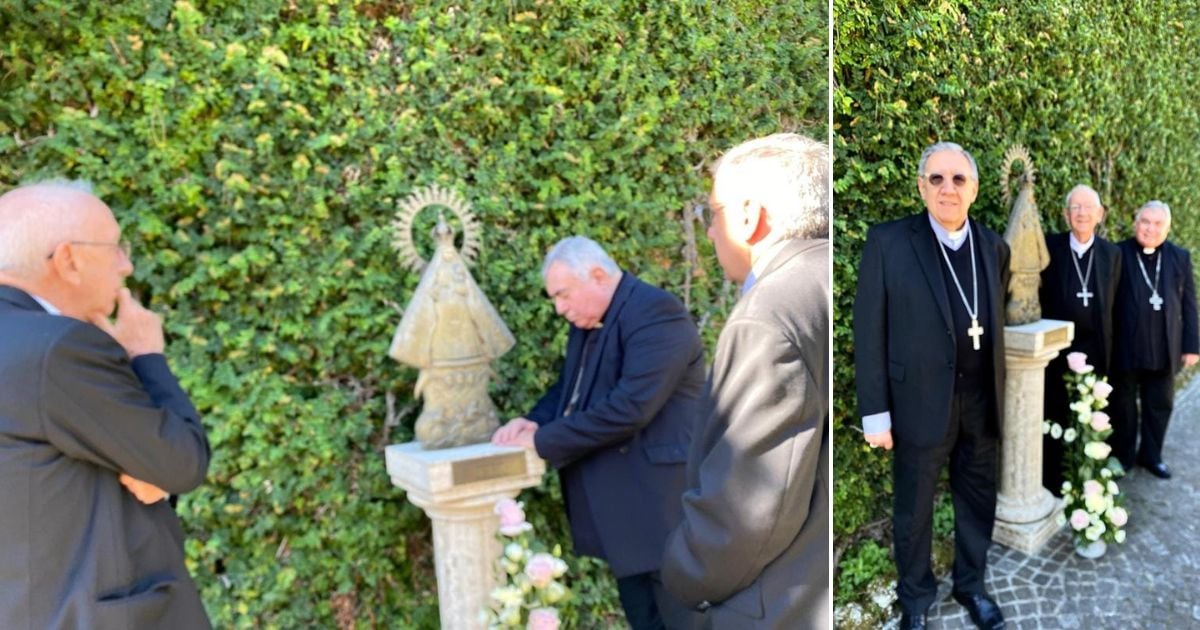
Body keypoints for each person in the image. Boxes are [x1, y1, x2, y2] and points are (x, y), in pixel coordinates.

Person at [0, 180, 211, 628]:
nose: (126, 265)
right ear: (68, 260)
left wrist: (138, 459)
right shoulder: (57, 349)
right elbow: (179, 461)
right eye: (115, 247)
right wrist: (146, 354)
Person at [660, 132, 831, 629]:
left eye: (712, 212)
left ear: (750, 214)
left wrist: (681, 571)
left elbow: (751, 506)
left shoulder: (768, 311)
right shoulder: (825, 272)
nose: (710, 232)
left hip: (772, 603)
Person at [491, 236, 706, 630]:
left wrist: (541, 443)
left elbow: (629, 408)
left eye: (563, 294)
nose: (560, 308)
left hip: (664, 513)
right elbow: (571, 387)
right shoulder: (592, 318)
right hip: (629, 519)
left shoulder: (657, 313)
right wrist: (535, 420)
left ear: (597, 275)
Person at [853, 142, 1009, 630]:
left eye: (958, 180)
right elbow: (868, 329)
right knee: (914, 509)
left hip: (982, 401)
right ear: (921, 186)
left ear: (975, 190)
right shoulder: (889, 243)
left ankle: (972, 586)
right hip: (918, 403)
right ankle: (916, 600)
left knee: (977, 500)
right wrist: (875, 413)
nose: (948, 188)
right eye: (937, 179)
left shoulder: (993, 246)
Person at [1038, 185, 1121, 495]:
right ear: (1066, 214)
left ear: (1099, 215)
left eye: (1088, 208)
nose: (1082, 213)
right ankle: (1053, 479)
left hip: (1096, 350)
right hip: (1058, 350)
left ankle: (1086, 477)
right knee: (1056, 414)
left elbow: (1116, 306)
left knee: (1091, 416)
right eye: (1075, 207)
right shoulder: (1050, 247)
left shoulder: (1112, 254)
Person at [1108, 201, 1199, 479]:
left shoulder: (1179, 257)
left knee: (1159, 405)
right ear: (1136, 223)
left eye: (1157, 224)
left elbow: (1188, 304)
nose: (1150, 228)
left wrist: (1192, 346)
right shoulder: (1118, 253)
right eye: (1145, 222)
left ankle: (1152, 456)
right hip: (1126, 347)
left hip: (1164, 347)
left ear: (1167, 228)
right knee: (1122, 406)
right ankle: (1122, 457)